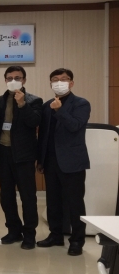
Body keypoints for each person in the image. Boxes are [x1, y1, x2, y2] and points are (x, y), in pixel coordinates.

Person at [36, 68, 90, 256]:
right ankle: (56, 235)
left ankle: (77, 240)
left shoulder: (81, 104)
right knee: (53, 202)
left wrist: (60, 110)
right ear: (51, 84)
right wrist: (40, 160)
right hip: (50, 161)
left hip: (72, 161)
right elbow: (43, 135)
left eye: (64, 79)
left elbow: (75, 126)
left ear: (71, 83)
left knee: (75, 203)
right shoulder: (47, 106)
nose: (59, 83)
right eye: (55, 80)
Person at [0, 66, 42, 250]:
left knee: (28, 197)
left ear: (24, 80)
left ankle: (29, 234)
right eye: (10, 78)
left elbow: (34, 122)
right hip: (4, 153)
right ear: (5, 80)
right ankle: (14, 230)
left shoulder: (34, 100)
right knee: (6, 196)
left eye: (17, 78)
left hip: (24, 155)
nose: (13, 81)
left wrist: (22, 105)